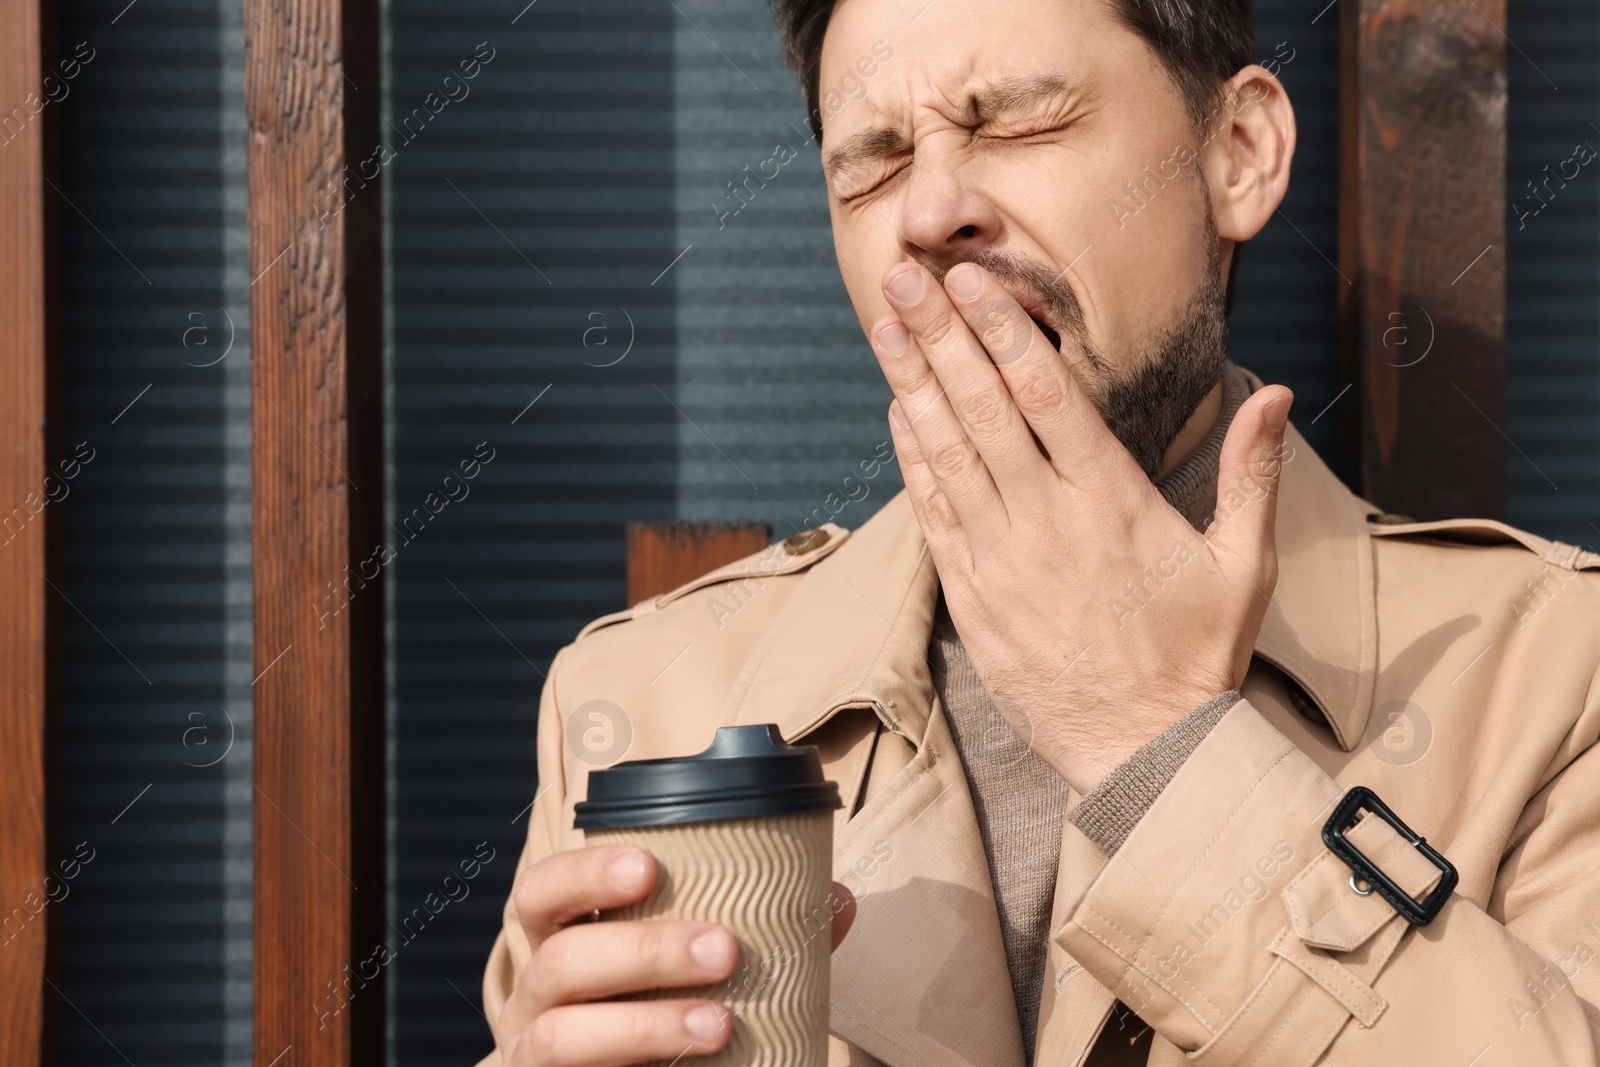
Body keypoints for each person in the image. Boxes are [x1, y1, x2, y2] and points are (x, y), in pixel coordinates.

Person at [475, 0, 1600, 1063]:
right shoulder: (639, 699)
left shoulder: (1556, 677)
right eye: (870, 165)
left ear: (1240, 152)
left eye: (1016, 119)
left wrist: (1158, 747)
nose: (929, 212)